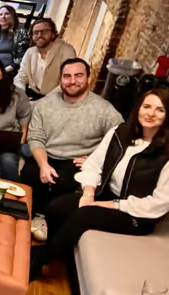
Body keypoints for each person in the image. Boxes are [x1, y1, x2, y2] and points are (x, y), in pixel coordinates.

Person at [34, 89, 169, 278]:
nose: (150, 114)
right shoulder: (120, 133)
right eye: (146, 106)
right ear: (138, 108)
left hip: (135, 214)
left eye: (160, 110)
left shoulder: (166, 153)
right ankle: (58, 253)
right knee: (56, 207)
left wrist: (104, 204)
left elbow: (158, 203)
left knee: (84, 215)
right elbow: (94, 164)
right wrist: (88, 194)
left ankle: (40, 260)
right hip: (105, 194)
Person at [22, 58, 123, 240]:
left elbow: (120, 140)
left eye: (78, 76)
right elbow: (35, 136)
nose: (72, 81)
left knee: (65, 180)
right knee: (30, 173)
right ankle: (30, 216)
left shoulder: (104, 110)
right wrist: (43, 164)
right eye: (67, 76)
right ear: (60, 79)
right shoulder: (45, 105)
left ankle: (47, 220)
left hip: (78, 160)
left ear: (88, 78)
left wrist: (95, 159)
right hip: (48, 153)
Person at [14, 18, 76, 100]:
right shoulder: (30, 52)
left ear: (53, 34)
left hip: (57, 98)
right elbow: (22, 75)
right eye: (36, 32)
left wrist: (45, 101)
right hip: (34, 94)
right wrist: (21, 93)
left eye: (45, 31)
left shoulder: (66, 50)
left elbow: (68, 80)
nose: (40, 35)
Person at [0, 5, 29, 75]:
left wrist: (6, 70)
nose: (3, 17)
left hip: (12, 71)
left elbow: (22, 57)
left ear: (13, 16)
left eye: (7, 14)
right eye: (0, 14)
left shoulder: (21, 33)